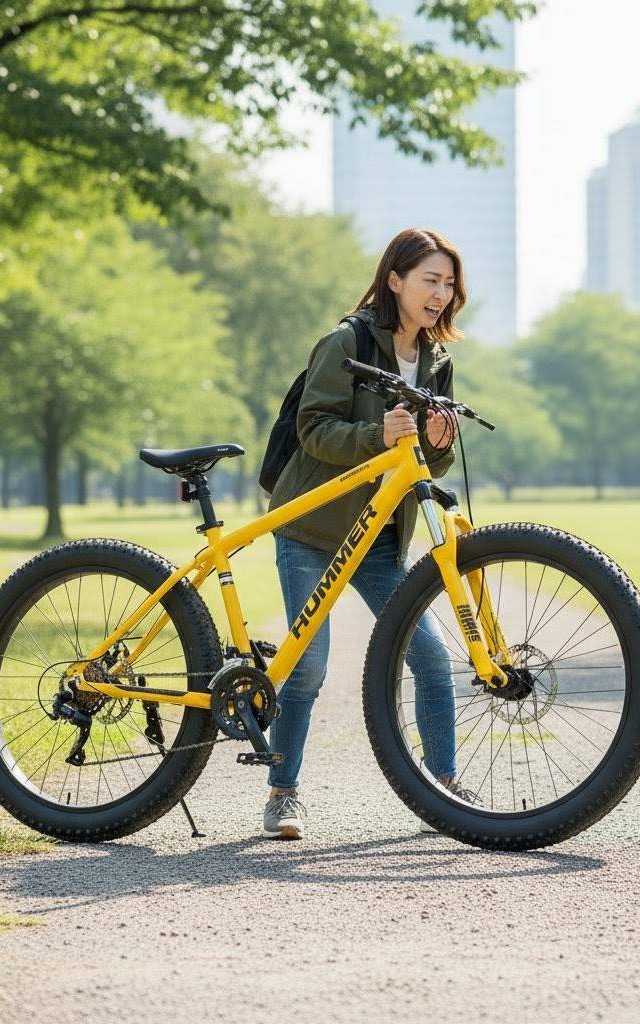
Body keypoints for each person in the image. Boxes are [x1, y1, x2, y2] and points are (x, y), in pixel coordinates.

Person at [262, 227, 477, 839]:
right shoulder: (346, 341)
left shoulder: (437, 362)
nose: (440, 294)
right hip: (313, 528)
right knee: (307, 667)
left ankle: (443, 789)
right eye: (430, 280)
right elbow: (313, 430)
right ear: (395, 280)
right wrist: (376, 435)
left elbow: (426, 463)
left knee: (432, 659)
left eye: (449, 284)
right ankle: (282, 794)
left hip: (380, 537)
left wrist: (437, 443)